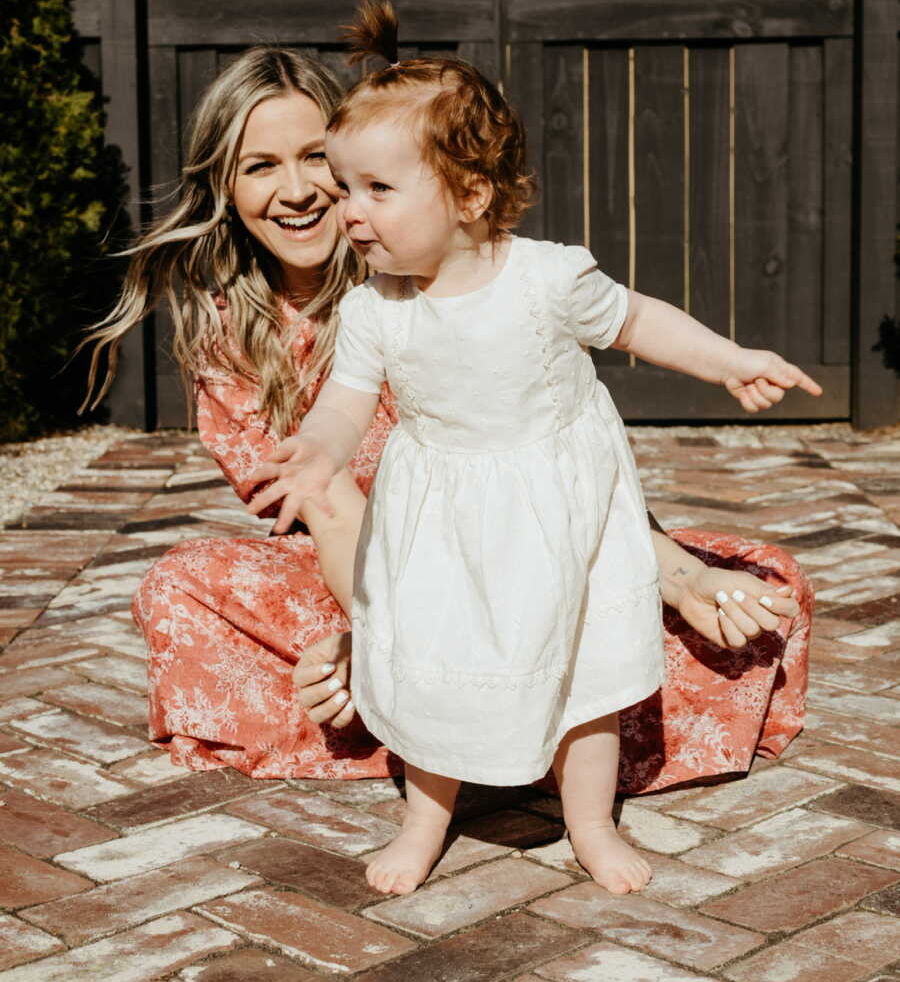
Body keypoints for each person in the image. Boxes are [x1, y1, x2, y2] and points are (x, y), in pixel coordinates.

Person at [82, 44, 810, 849]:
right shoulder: (243, 333)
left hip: (531, 553)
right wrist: (369, 635)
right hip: (373, 574)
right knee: (178, 590)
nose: (300, 191)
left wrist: (678, 575)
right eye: (260, 166)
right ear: (225, 185)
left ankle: (494, 736)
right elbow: (329, 508)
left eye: (318, 161)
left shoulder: (459, 276)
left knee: (755, 591)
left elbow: (564, 478)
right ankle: (451, 729)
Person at [250, 1, 820, 898]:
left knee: (585, 665)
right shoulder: (374, 307)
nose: (346, 211)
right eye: (343, 185)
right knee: (431, 654)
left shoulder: (548, 279)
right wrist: (317, 452)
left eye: (376, 190)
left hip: (558, 508)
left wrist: (729, 362)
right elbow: (344, 403)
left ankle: (588, 822)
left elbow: (641, 321)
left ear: (470, 194)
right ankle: (425, 817)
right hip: (439, 516)